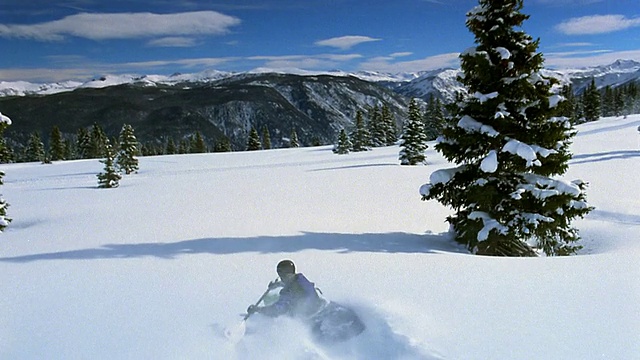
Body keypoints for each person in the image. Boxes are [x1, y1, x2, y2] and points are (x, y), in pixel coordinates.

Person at [247, 259, 326, 319]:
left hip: (308, 316)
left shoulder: (287, 292)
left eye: (282, 275)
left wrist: (258, 310)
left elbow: (278, 310)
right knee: (271, 298)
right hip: (319, 306)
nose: (282, 278)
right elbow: (293, 285)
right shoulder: (300, 278)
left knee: (272, 300)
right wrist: (277, 285)